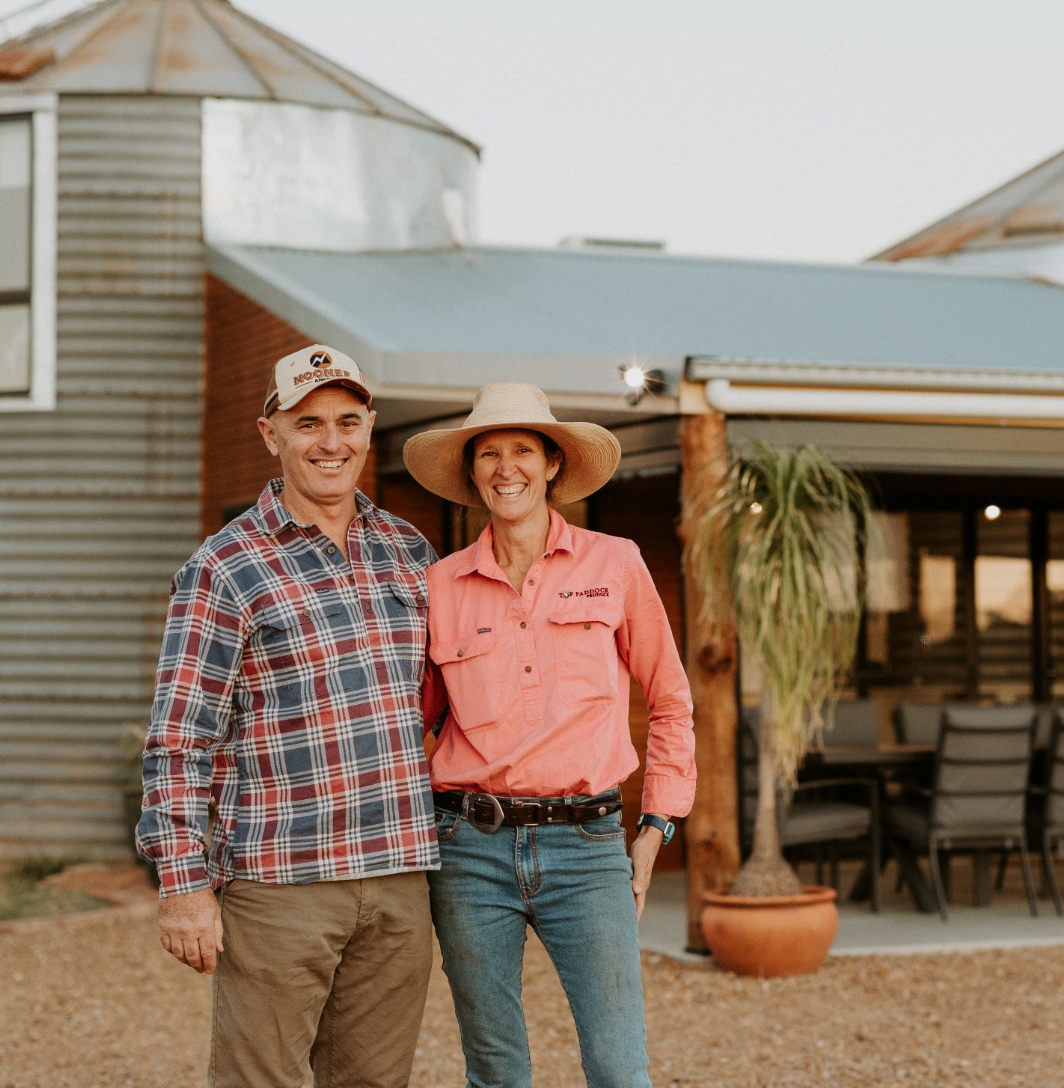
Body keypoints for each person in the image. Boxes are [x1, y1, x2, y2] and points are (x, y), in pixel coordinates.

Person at [139, 344, 439, 1088]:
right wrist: (183, 883)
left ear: (370, 428)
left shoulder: (409, 551)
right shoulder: (225, 566)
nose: (330, 441)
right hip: (281, 885)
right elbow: (181, 736)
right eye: (308, 423)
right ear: (271, 434)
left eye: (346, 420)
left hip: (400, 877)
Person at [403, 382, 695, 1088]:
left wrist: (655, 827)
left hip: (588, 847)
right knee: (497, 1069)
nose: (508, 468)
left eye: (523, 451)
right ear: (472, 472)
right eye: (490, 453)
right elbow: (413, 722)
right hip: (468, 849)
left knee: (620, 1068)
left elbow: (671, 699)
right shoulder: (438, 586)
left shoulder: (615, 562)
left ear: (553, 464)